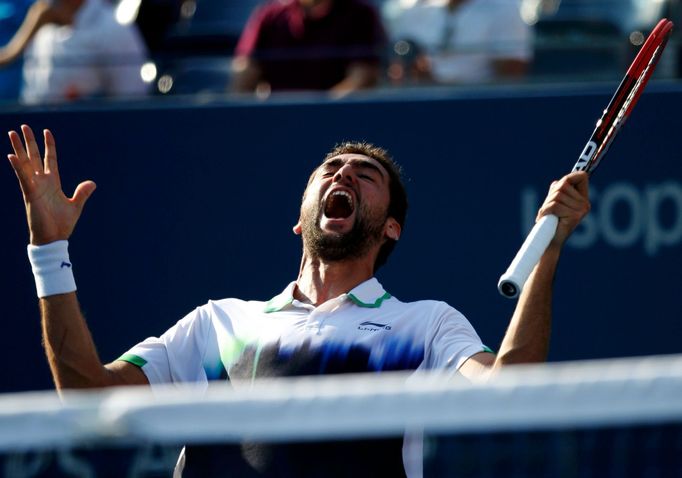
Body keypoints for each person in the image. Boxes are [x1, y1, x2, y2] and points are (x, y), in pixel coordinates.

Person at [7, 124, 590, 476]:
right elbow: (85, 393)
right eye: (331, 170)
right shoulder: (216, 325)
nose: (343, 175)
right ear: (300, 220)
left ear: (391, 228)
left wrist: (551, 247)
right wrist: (49, 251)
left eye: (366, 176)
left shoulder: (426, 325)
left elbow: (509, 388)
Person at [0, 0, 148, 104]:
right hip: (42, 139)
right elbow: (32, 95)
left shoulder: (115, 30)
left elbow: (132, 100)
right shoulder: (41, 24)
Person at [231, 0, 386, 97]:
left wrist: (317, 109)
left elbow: (362, 76)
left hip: (339, 123)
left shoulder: (362, 14)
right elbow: (245, 70)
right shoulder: (269, 15)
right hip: (278, 121)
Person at [384, 0, 532, 85]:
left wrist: (437, 85)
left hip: (479, 113)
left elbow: (508, 83)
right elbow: (397, 71)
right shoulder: (412, 9)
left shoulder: (505, 9)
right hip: (418, 110)